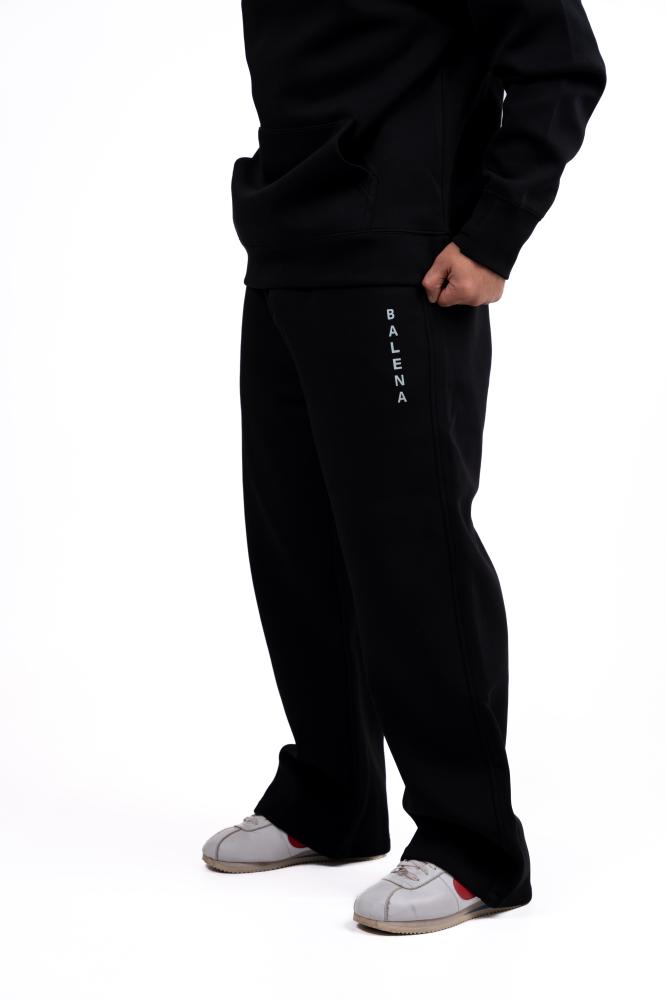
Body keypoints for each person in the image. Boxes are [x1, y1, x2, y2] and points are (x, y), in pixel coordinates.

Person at [202, 0, 606, 935]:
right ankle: (331, 797)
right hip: (285, 247)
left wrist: (495, 232)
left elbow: (562, 59)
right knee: (296, 549)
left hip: (402, 259)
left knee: (412, 555)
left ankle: (473, 846)